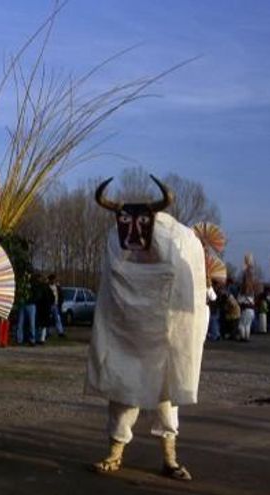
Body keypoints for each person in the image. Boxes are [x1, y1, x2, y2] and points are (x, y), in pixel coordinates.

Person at [86, 175, 207, 481]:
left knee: (166, 399)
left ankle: (170, 458)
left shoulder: (174, 240)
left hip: (164, 338)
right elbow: (115, 283)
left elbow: (180, 285)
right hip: (127, 335)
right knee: (124, 394)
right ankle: (115, 454)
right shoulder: (118, 242)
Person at [46, 274, 66, 338]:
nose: (54, 281)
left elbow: (61, 295)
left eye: (54, 279)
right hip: (49, 305)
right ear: (50, 280)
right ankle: (48, 332)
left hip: (56, 305)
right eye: (53, 279)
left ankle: (60, 332)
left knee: (57, 318)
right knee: (48, 319)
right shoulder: (47, 287)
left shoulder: (57, 287)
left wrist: (60, 302)